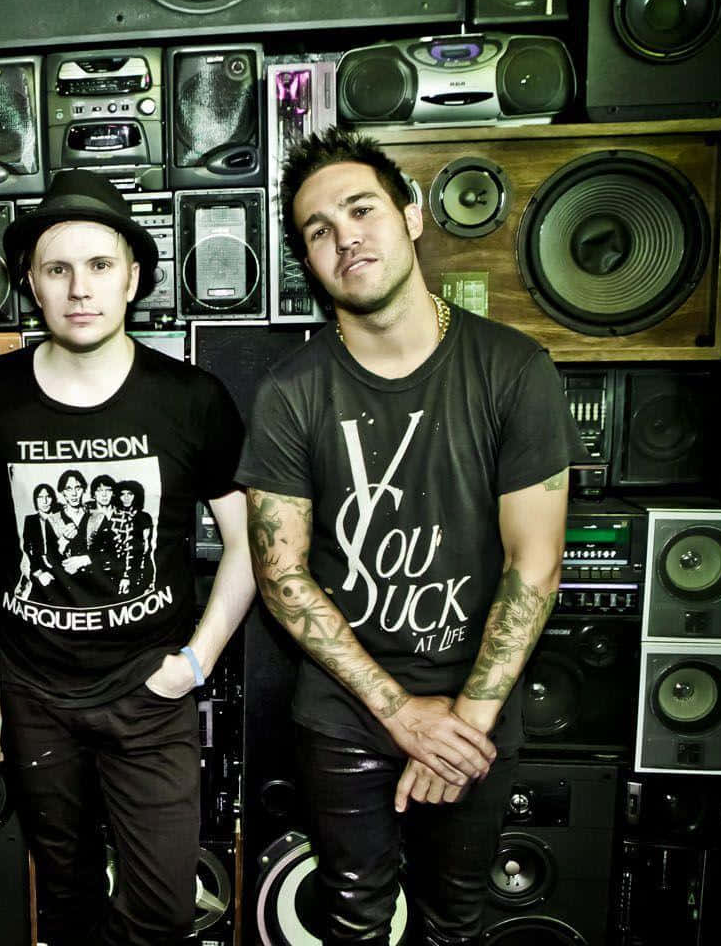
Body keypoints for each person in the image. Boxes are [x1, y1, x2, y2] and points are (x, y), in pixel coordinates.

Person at [239, 126, 585, 945]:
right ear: (309, 260)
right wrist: (401, 715)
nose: (343, 235)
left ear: (411, 215)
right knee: (352, 920)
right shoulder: (291, 392)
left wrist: (458, 724)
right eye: (317, 230)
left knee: (453, 922)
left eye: (360, 209)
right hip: (348, 712)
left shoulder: (513, 369)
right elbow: (282, 577)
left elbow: (534, 563)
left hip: (477, 708)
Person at [0, 168, 256, 945]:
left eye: (99, 266)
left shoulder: (190, 398)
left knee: (160, 908)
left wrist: (194, 664)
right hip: (34, 691)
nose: (79, 288)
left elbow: (250, 544)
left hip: (149, 693)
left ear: (133, 277)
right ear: (31, 282)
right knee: (66, 902)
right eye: (58, 269)